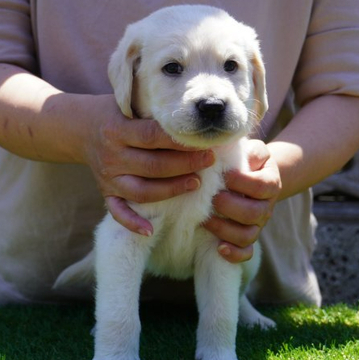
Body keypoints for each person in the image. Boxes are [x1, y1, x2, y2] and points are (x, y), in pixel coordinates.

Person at [0, 0, 358, 306]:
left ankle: (239, 310)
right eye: (173, 68)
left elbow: (348, 90)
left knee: (223, 261)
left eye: (231, 67)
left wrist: (265, 175)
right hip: (42, 286)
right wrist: (81, 132)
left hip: (264, 282)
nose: (210, 96)